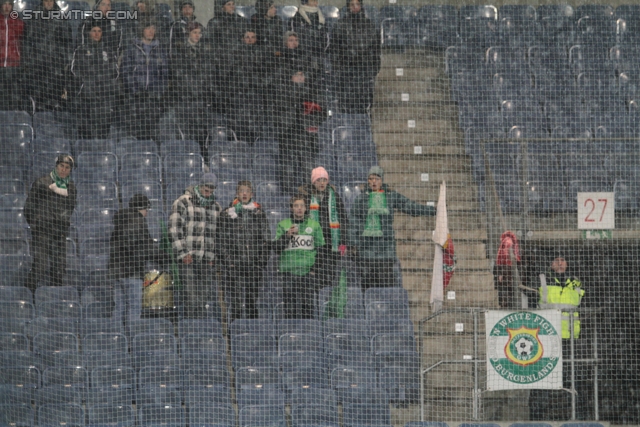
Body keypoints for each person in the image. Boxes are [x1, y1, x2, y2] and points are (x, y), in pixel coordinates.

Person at [348, 166, 436, 289]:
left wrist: (432, 210)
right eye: (371, 178)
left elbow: (410, 206)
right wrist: (353, 244)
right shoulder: (361, 199)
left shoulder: (390, 196)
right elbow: (353, 223)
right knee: (367, 289)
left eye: (377, 178)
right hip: (366, 253)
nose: (374, 182)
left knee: (386, 288)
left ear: (382, 180)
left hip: (386, 253)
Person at [169, 173, 222, 318]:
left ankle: (200, 331)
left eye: (212, 189)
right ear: (200, 185)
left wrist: (213, 256)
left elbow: (218, 235)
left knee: (203, 300)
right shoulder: (183, 202)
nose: (209, 191)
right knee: (190, 299)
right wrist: (183, 253)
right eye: (206, 188)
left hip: (206, 261)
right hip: (188, 259)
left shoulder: (216, 207)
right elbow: (174, 229)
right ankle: (190, 332)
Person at [217, 181, 271, 322]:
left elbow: (266, 240)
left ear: (252, 194)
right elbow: (221, 241)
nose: (245, 193)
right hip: (234, 265)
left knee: (252, 302)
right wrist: (229, 263)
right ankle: (235, 332)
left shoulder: (259, 213)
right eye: (242, 191)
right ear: (237, 193)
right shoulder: (227, 214)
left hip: (254, 265)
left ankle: (252, 333)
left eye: (247, 191)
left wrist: (260, 263)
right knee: (235, 303)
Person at [24, 155, 77, 291]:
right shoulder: (42, 183)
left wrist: (63, 223)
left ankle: (54, 300)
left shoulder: (71, 188)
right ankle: (30, 295)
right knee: (40, 266)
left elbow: (70, 208)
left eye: (67, 168)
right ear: (56, 166)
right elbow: (29, 207)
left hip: (59, 232)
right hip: (43, 231)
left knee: (59, 268)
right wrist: (37, 224)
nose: (64, 170)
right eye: (61, 166)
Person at [109, 194, 164, 322]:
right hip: (132, 272)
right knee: (134, 308)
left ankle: (116, 338)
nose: (147, 213)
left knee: (119, 307)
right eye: (146, 210)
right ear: (141, 208)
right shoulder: (138, 222)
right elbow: (147, 247)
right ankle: (132, 339)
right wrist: (164, 258)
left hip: (117, 272)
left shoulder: (120, 222)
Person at [273, 194, 325, 319]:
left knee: (307, 306)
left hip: (308, 274)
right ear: (291, 208)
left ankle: (308, 335)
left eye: (302, 206)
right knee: (290, 308)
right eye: (296, 206)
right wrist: (287, 236)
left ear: (306, 208)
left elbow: (322, 250)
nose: (299, 209)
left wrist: (314, 270)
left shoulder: (314, 225)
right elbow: (276, 249)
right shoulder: (283, 225)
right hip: (289, 273)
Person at [297, 167, 348, 289]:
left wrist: (343, 243)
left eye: (324, 180)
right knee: (313, 278)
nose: (322, 183)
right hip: (313, 243)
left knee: (329, 277)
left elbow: (344, 221)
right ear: (313, 182)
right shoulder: (306, 197)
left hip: (331, 243)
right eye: (319, 180)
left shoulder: (335, 197)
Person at [170, 21, 214, 156]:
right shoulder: (179, 51)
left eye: (199, 33)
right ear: (188, 33)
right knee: (186, 130)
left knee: (201, 130)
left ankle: (202, 157)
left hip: (200, 98)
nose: (197, 35)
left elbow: (208, 73)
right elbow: (179, 74)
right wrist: (191, 88)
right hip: (186, 97)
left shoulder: (206, 51)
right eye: (195, 32)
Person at [329, 0, 380, 114]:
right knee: (346, 105)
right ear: (348, 7)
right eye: (352, 4)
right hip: (346, 72)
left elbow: (375, 49)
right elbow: (334, 49)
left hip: (364, 71)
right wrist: (338, 67)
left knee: (364, 104)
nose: (355, 7)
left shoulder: (369, 25)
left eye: (357, 4)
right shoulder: (340, 25)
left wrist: (374, 67)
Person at [70, 23, 120, 139]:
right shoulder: (81, 50)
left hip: (104, 97)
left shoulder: (109, 51)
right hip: (87, 97)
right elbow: (75, 71)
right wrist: (86, 83)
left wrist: (106, 83)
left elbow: (115, 72)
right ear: (89, 33)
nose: (97, 34)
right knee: (86, 129)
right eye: (94, 31)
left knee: (104, 129)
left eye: (99, 31)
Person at [122, 18, 169, 140]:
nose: (151, 31)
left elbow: (165, 73)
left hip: (153, 98)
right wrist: (134, 90)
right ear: (142, 30)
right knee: (135, 130)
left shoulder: (160, 50)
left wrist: (158, 92)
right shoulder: (132, 48)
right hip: (135, 98)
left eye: (153, 28)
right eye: (148, 28)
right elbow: (126, 71)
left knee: (151, 131)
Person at [23, 0, 73, 111]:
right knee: (38, 97)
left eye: (51, 0)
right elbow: (27, 40)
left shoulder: (61, 18)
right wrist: (28, 60)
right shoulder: (34, 17)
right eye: (46, 1)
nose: (49, 3)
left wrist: (66, 60)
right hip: (38, 63)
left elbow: (68, 41)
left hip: (56, 63)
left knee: (54, 96)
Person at [0, 0, 25, 111]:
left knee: (13, 98)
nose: (7, 7)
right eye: (4, 4)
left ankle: (13, 123)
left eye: (9, 4)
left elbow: (24, 43)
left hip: (14, 66)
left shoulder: (18, 22)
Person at [493, 230, 521, 309]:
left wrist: (501, 272)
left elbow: (504, 256)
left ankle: (505, 305)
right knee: (509, 291)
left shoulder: (507, 241)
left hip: (506, 268)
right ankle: (507, 305)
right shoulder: (512, 242)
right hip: (508, 268)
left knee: (506, 290)